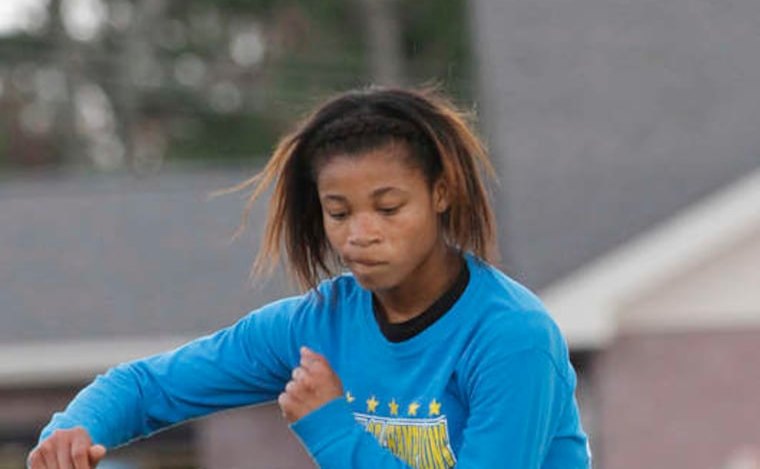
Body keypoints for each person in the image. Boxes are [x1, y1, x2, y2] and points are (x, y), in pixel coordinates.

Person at [28, 87, 591, 468]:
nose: (359, 234)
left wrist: (331, 426)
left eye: (389, 208)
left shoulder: (510, 337)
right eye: (340, 212)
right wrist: (72, 432)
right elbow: (148, 387)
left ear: (441, 193)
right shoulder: (316, 325)